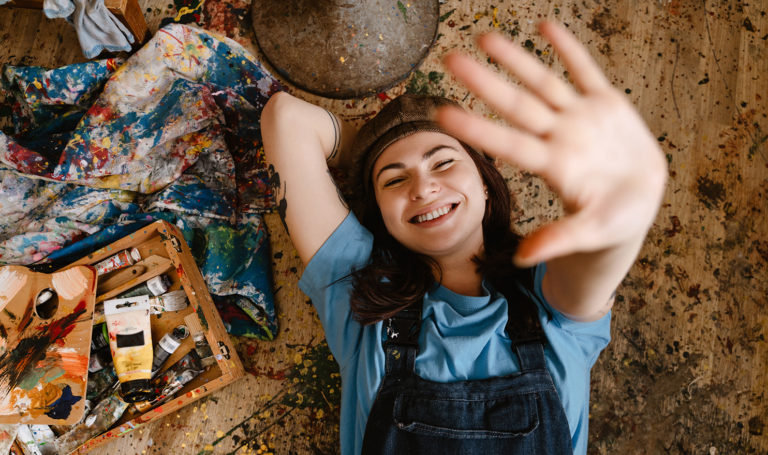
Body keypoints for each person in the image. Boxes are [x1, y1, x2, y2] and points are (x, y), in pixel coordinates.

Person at [261, 22, 667, 455]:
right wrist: (367, 149)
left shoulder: (545, 294)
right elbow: (285, 119)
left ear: (486, 182)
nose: (422, 188)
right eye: (394, 181)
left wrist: (625, 219)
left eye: (443, 163)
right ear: (378, 212)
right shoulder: (358, 292)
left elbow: (595, 264)